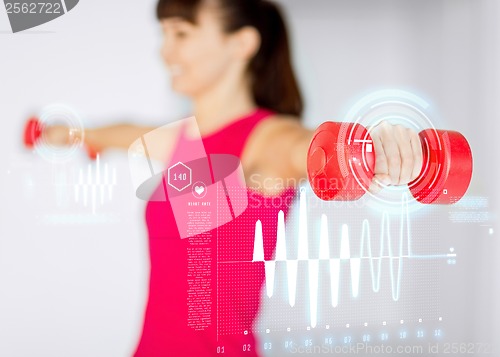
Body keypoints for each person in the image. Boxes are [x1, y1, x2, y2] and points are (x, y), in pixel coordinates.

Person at [41, 0, 423, 355]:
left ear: (241, 44)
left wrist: (372, 146)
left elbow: (309, 149)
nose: (165, 50)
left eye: (182, 34)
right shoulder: (182, 139)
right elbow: (124, 132)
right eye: (164, 34)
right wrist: (74, 135)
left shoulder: (267, 139)